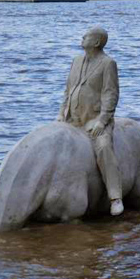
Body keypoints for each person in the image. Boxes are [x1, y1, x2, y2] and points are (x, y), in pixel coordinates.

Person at [57, 27, 124, 216]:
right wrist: (62, 113)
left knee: (103, 147)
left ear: (96, 42)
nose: (82, 37)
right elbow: (68, 91)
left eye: (86, 36)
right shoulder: (76, 61)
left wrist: (102, 121)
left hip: (94, 120)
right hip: (71, 119)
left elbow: (111, 94)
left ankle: (115, 197)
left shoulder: (108, 63)